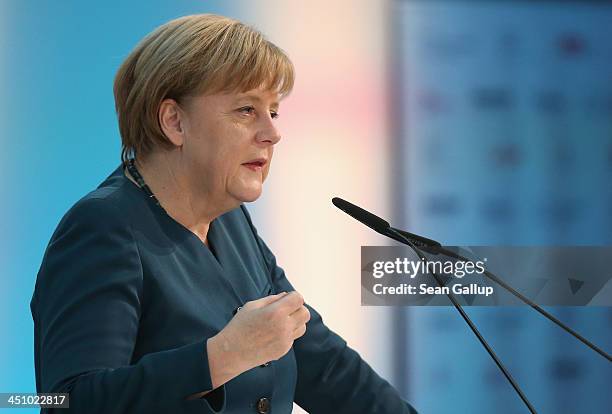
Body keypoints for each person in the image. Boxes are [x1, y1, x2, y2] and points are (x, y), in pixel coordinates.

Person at [30, 14, 418, 414]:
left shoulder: (231, 222)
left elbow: (323, 364)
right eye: (247, 110)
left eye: (274, 111)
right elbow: (66, 402)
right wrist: (219, 358)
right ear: (174, 122)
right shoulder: (103, 227)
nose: (272, 132)